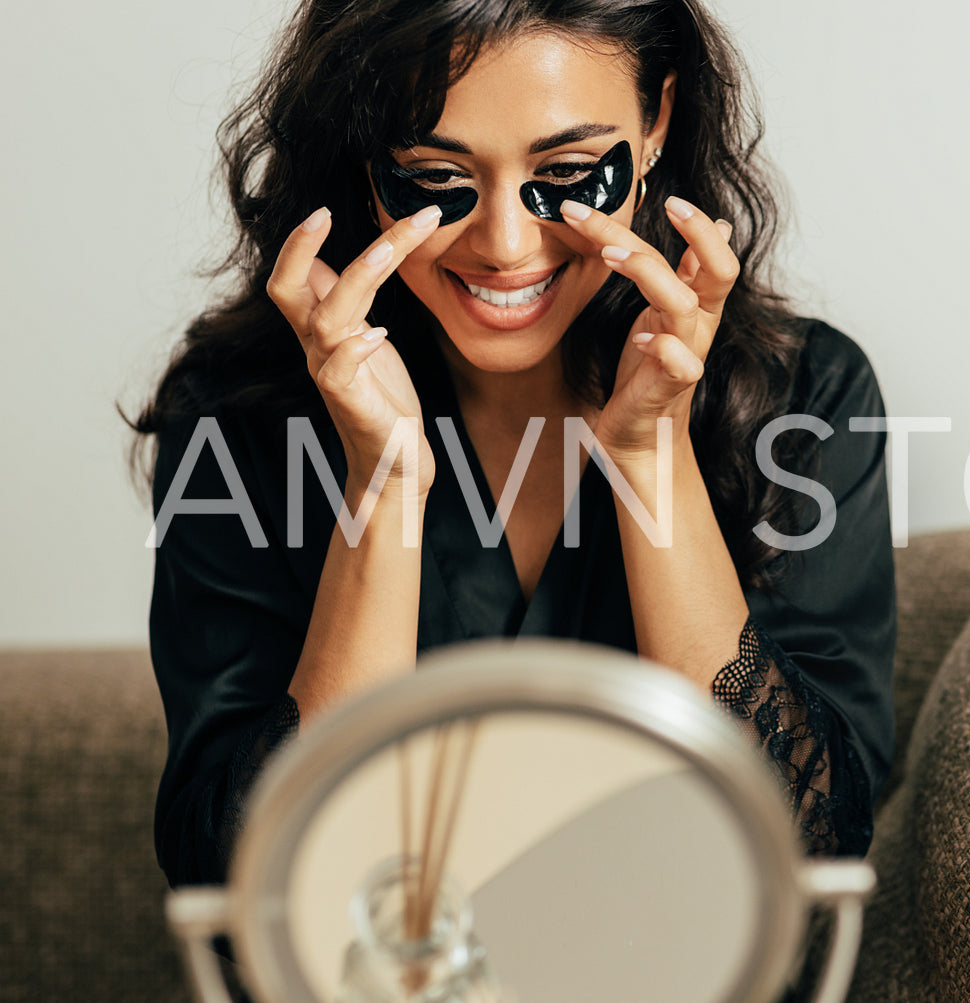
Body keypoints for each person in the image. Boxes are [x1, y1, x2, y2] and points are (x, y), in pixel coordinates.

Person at [130, 0, 896, 891]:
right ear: (362, 155)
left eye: (569, 170)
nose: (504, 244)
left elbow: (805, 849)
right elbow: (246, 880)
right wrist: (382, 490)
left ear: (656, 124)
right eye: (432, 174)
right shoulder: (236, 414)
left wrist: (652, 457)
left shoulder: (804, 398)